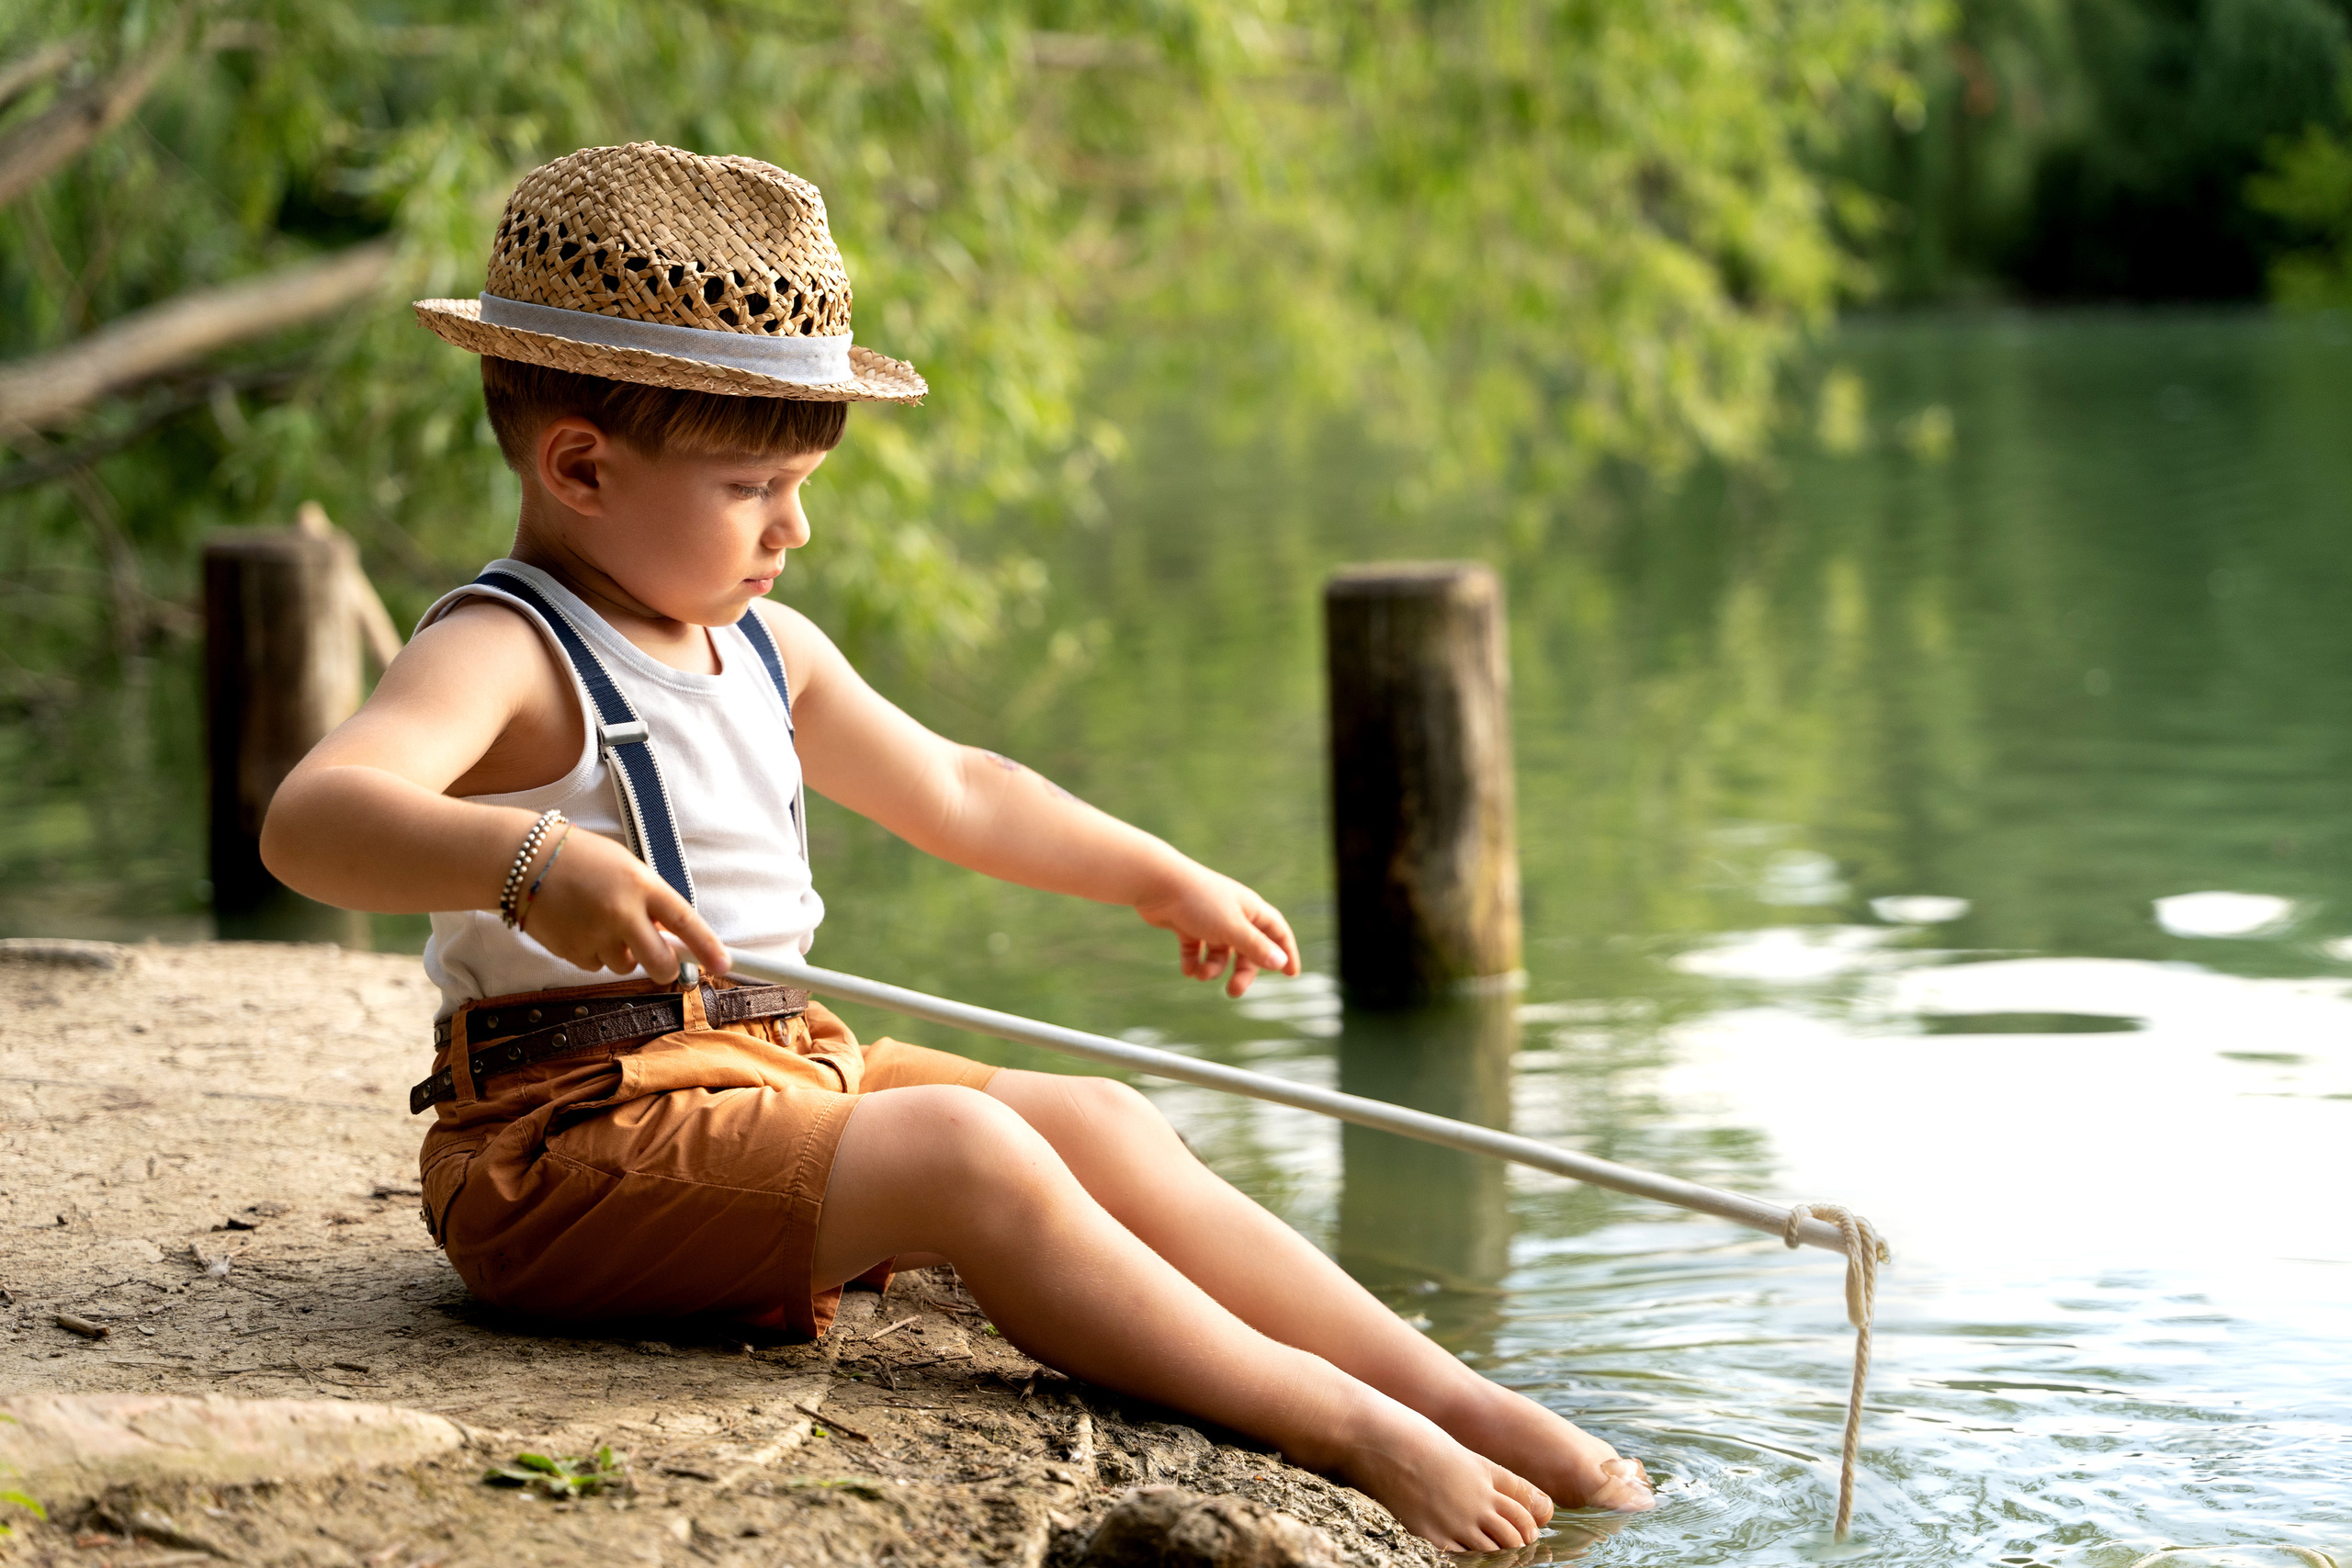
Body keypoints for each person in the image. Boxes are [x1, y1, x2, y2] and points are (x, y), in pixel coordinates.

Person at [260, 141, 1653, 1551]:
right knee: (964, 1151)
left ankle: (1448, 1390)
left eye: (802, 484)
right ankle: (1342, 1425)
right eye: (755, 489)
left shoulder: (762, 643)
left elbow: (960, 788)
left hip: (767, 1071)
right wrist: (528, 864)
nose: (792, 530)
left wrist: (1152, 872)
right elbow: (313, 822)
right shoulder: (505, 648)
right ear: (580, 466)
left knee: (1104, 1117)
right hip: (570, 1144)